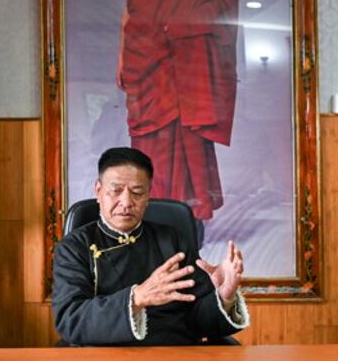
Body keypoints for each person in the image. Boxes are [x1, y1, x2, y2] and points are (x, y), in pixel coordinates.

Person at [117, 0, 238, 228]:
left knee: (182, 141)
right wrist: (121, 59)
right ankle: (149, 217)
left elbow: (225, 0)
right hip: (144, 66)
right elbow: (129, 13)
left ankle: (187, 224)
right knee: (147, 145)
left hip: (177, 67)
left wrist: (183, 24)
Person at [52, 147, 249, 346]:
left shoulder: (172, 240)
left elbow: (198, 320)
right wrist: (137, 298)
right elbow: (71, 319)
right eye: (116, 191)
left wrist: (224, 296)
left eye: (137, 192)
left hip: (175, 353)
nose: (126, 202)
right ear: (99, 191)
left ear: (148, 196)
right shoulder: (74, 247)